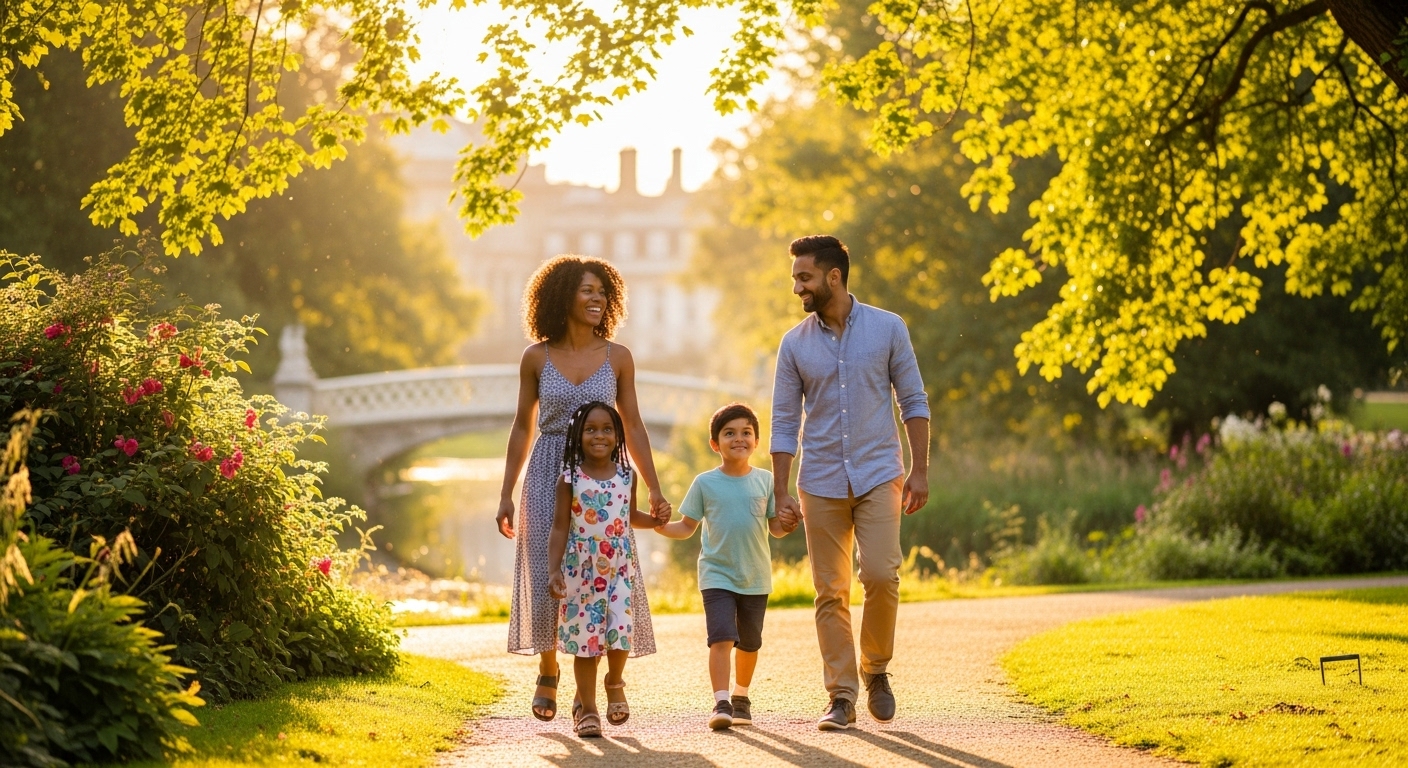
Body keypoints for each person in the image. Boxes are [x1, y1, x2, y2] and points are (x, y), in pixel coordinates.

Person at [495, 255, 672, 724]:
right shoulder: (536, 357)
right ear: (562, 297)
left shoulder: (619, 357)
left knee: (601, 576)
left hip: (601, 477)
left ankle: (589, 693)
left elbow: (633, 424)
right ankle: (548, 668)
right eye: (587, 290)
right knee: (548, 575)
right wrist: (506, 492)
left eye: (603, 292)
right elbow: (522, 426)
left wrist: (654, 488)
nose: (597, 299)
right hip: (546, 471)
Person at [771, 235, 931, 731]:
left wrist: (920, 469)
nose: (797, 287)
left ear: (833, 276)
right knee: (830, 590)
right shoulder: (794, 344)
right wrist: (780, 490)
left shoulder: (888, 328)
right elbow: (783, 421)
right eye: (796, 278)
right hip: (819, 480)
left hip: (879, 471)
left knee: (881, 575)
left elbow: (913, 400)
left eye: (804, 277)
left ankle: (875, 669)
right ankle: (841, 695)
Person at [655, 403, 800, 730]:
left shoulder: (766, 481)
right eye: (729, 433)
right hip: (716, 575)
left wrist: (788, 525)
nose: (738, 439)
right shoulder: (705, 483)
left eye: (746, 433)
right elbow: (686, 527)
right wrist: (658, 526)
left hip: (755, 577)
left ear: (756, 441)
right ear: (715, 443)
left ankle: (740, 697)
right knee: (720, 638)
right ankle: (721, 702)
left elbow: (775, 528)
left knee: (749, 643)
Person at [547, 402, 663, 738]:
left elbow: (630, 516)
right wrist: (554, 571)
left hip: (619, 567)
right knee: (585, 642)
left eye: (607, 429)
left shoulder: (628, 476)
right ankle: (588, 710)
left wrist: (657, 520)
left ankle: (614, 681)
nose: (599, 436)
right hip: (581, 571)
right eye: (591, 429)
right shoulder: (569, 478)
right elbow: (559, 527)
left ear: (618, 436)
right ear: (578, 435)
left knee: (620, 630)